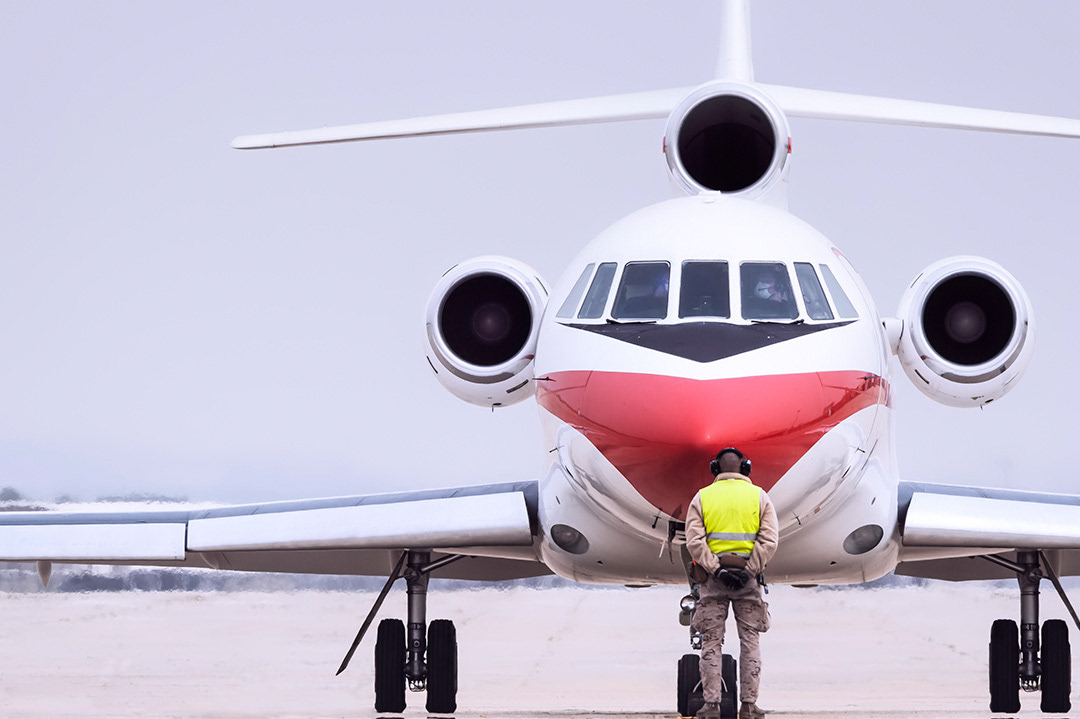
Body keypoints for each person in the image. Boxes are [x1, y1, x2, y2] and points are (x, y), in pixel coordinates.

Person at [684, 447, 779, 719]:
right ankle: (749, 706)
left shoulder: (702, 497)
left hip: (714, 580)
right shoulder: (759, 496)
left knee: (711, 643)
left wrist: (717, 570)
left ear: (715, 469)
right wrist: (749, 570)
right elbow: (769, 540)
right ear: (745, 468)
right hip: (748, 581)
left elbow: (694, 541)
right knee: (750, 642)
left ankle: (711, 705)